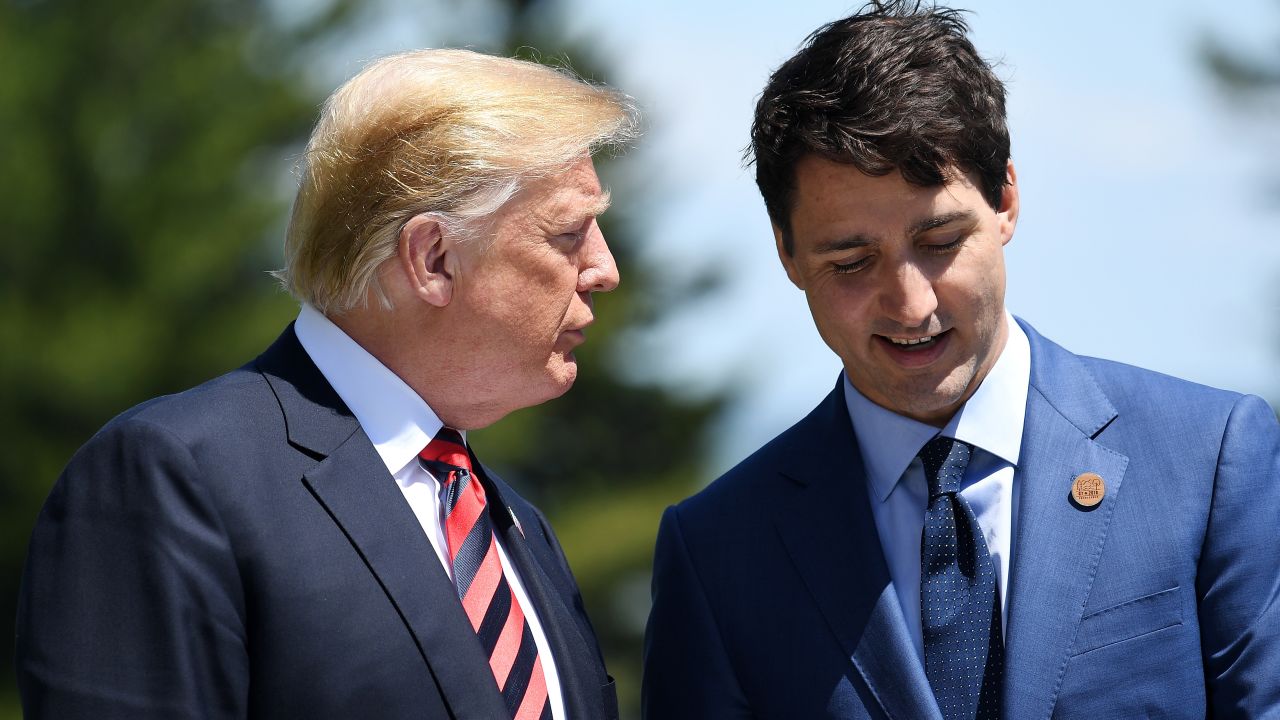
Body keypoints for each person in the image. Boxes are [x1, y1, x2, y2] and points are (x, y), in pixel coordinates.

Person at [642, 3, 1280, 718]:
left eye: (941, 240)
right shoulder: (720, 552)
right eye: (851, 262)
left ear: (1006, 198)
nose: (910, 303)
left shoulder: (1209, 462)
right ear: (787, 252)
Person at [17, 48, 637, 719]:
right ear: (432, 258)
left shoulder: (516, 527)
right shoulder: (173, 479)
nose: (604, 268)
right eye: (569, 233)